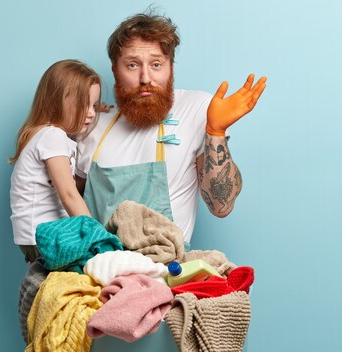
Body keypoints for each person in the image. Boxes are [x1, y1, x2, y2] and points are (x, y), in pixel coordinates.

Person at [76, 13, 267, 244]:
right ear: (115, 70)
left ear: (171, 68)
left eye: (156, 64)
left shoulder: (197, 109)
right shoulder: (92, 126)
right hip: (99, 273)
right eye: (132, 65)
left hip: (168, 273)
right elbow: (68, 208)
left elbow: (222, 205)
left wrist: (215, 133)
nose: (145, 77)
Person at [9, 59, 101, 262]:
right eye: (82, 104)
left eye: (94, 105)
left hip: (34, 234)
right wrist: (96, 236)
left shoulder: (41, 134)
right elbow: (68, 193)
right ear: (55, 101)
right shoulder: (53, 136)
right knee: (99, 265)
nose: (92, 113)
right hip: (44, 234)